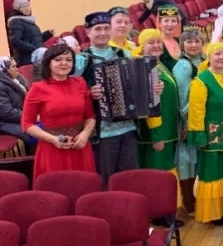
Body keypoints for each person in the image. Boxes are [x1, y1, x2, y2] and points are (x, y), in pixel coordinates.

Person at [74, 12, 147, 183]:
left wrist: (152, 87)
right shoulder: (81, 61)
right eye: (97, 29)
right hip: (102, 131)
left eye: (106, 28)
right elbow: (71, 93)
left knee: (129, 177)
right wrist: (89, 93)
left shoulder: (124, 54)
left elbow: (139, 84)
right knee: (105, 178)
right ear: (88, 32)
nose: (103, 33)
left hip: (129, 128)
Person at [186, 42, 223, 225]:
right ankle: (214, 213)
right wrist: (199, 135)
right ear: (209, 57)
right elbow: (196, 111)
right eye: (217, 54)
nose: (221, 57)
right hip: (212, 138)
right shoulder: (201, 80)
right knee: (213, 174)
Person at [22, 44, 96, 178]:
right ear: (48, 63)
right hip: (52, 147)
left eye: (69, 60)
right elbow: (27, 124)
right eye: (58, 59)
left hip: (80, 146)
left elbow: (90, 117)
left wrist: (85, 135)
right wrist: (53, 139)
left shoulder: (80, 83)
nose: (64, 63)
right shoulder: (38, 88)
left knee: (84, 185)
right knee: (56, 187)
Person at [134, 30, 181, 194]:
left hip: (166, 131)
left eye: (158, 42)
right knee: (157, 173)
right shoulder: (143, 66)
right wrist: (157, 135)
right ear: (142, 45)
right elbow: (149, 104)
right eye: (151, 42)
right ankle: (159, 206)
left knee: (165, 169)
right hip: (155, 134)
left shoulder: (157, 63)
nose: (156, 46)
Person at [172, 27, 205, 214]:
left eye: (197, 41)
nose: (193, 45)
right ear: (182, 45)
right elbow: (183, 98)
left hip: (204, 117)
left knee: (199, 160)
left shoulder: (204, 61)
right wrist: (190, 122)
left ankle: (200, 198)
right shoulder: (183, 66)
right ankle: (188, 201)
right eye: (189, 42)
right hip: (189, 120)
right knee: (187, 161)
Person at [7, 0, 53, 66]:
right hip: (26, 58)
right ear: (18, 9)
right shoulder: (15, 21)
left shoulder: (29, 20)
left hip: (36, 56)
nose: (27, 9)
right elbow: (15, 41)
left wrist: (47, 34)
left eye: (28, 6)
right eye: (23, 7)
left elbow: (35, 39)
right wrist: (32, 48)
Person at [0, 57, 29, 141]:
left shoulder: (17, 79)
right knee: (37, 131)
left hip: (22, 115)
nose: (17, 69)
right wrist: (29, 116)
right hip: (6, 122)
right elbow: (7, 112)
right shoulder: (1, 86)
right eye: (13, 67)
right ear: (5, 70)